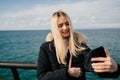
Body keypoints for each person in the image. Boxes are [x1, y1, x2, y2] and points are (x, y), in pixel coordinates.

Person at [37, 10, 120, 80]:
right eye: (60, 25)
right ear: (54, 28)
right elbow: (41, 76)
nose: (65, 28)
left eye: (67, 23)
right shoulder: (46, 48)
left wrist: (114, 69)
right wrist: (67, 72)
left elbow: (92, 65)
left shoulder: (80, 47)